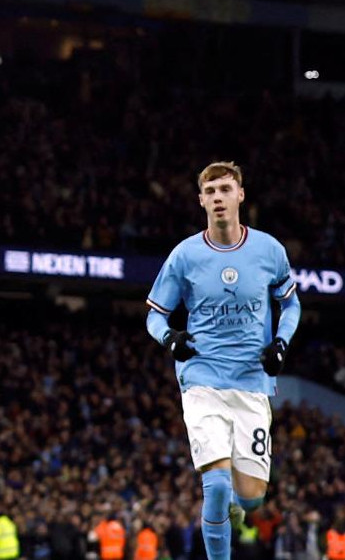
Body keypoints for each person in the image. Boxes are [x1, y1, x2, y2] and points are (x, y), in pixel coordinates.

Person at [146, 161, 301, 560]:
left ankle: (239, 499)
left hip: (252, 382)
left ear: (240, 195)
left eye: (225, 189)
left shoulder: (269, 250)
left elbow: (292, 303)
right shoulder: (185, 255)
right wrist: (171, 339)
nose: (218, 198)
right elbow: (154, 314)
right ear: (201, 200)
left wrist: (280, 343)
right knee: (215, 486)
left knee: (250, 500)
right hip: (202, 378)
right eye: (210, 191)